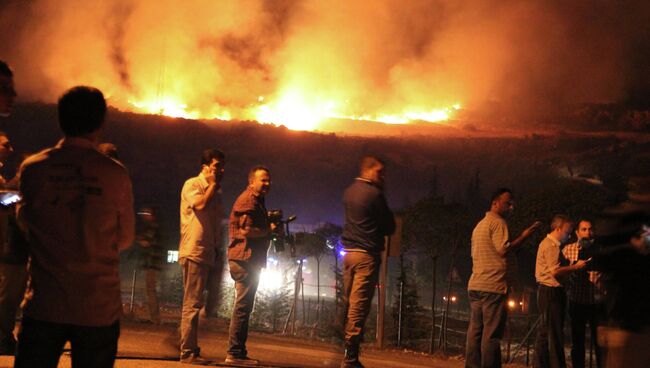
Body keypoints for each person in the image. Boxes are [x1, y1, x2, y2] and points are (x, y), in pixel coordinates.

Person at [14, 86, 135, 367]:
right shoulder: (114, 173)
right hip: (97, 306)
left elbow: (25, 223)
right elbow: (125, 237)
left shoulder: (34, 168)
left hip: (46, 301)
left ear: (60, 118)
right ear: (100, 122)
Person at [465, 188, 540, 368]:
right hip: (493, 285)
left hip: (476, 284)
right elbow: (503, 249)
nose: (511, 207)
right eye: (508, 203)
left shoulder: (480, 225)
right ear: (495, 203)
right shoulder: (499, 223)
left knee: (475, 331)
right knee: (491, 335)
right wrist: (524, 235)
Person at [340, 156, 395, 368]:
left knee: (348, 299)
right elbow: (389, 226)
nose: (383, 176)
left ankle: (343, 338)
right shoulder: (374, 194)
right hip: (366, 255)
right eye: (379, 172)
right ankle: (350, 355)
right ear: (368, 170)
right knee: (359, 304)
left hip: (348, 253)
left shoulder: (349, 191)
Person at [225, 165, 278, 366]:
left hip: (248, 259)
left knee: (244, 306)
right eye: (263, 180)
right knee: (242, 306)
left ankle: (237, 352)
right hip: (244, 260)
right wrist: (267, 230)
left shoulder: (256, 201)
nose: (267, 183)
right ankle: (235, 353)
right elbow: (246, 231)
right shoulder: (248, 201)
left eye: (268, 180)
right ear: (251, 182)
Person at [178, 148, 226, 364]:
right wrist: (213, 185)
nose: (221, 171)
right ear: (205, 167)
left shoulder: (216, 193)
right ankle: (187, 352)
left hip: (210, 252)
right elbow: (200, 205)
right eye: (217, 166)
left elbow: (215, 224)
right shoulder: (193, 185)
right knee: (193, 303)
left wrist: (218, 249)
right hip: (195, 250)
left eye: (222, 167)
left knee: (207, 303)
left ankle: (190, 345)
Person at [534, 215, 588, 368]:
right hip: (551, 292)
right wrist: (575, 267)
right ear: (557, 229)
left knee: (545, 334)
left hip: (547, 292)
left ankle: (540, 364)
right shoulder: (551, 246)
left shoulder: (549, 244)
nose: (569, 235)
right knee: (555, 335)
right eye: (567, 231)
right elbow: (555, 271)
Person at [561, 219, 603, 368]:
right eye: (584, 229)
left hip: (596, 302)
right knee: (577, 343)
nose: (587, 232)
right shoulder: (567, 250)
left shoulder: (600, 250)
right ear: (577, 232)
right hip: (577, 301)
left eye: (590, 229)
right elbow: (560, 274)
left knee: (600, 344)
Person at [136, 206, 163, 325]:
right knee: (151, 291)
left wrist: (136, 238)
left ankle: (155, 319)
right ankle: (154, 318)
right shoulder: (155, 227)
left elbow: (145, 242)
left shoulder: (152, 227)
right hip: (153, 264)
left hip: (152, 265)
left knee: (151, 291)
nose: (144, 216)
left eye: (146, 213)